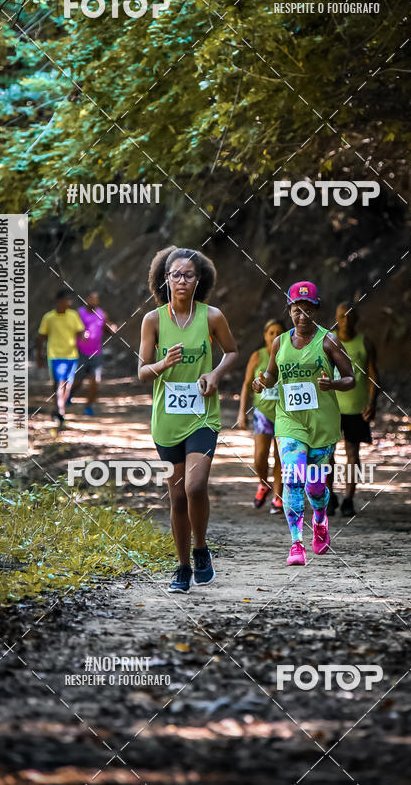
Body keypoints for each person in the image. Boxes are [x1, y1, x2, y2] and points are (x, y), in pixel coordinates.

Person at [138, 247, 238, 593]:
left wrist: (215, 374)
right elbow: (141, 372)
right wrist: (162, 365)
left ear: (200, 280)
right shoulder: (153, 320)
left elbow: (232, 352)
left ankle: (200, 548)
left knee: (196, 487)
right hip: (166, 420)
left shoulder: (211, 317)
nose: (182, 280)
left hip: (202, 417)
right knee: (177, 497)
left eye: (189, 275)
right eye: (176, 275)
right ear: (165, 279)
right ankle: (181, 566)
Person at [252, 282, 355, 565]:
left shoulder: (329, 341)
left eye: (308, 310)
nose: (302, 316)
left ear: (316, 310)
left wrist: (332, 383)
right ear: (289, 310)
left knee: (316, 487)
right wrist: (262, 381)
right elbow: (272, 375)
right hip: (289, 421)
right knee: (293, 479)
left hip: (322, 424)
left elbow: (351, 378)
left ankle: (320, 522)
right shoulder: (279, 342)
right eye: (297, 310)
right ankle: (296, 543)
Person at [326, 302, 379, 517]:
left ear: (357, 318)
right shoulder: (327, 341)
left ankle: (348, 497)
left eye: (350, 316)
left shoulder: (365, 342)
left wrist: (373, 401)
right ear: (336, 318)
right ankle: (329, 496)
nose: (346, 320)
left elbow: (374, 375)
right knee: (327, 454)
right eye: (342, 316)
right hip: (331, 407)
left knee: (352, 453)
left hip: (356, 408)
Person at [237, 319, 284, 513]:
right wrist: (242, 412)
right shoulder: (257, 356)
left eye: (278, 333)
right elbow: (247, 384)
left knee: (280, 457)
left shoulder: (287, 355)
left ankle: (278, 497)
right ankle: (264, 484)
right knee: (260, 457)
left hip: (283, 412)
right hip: (263, 413)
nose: (274, 336)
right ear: (265, 335)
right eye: (271, 332)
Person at [36, 289, 86, 426]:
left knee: (67, 386)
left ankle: (57, 408)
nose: (68, 303)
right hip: (55, 355)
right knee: (59, 383)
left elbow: (80, 331)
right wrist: (39, 356)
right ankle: (61, 411)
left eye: (70, 301)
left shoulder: (73, 315)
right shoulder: (49, 317)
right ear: (58, 301)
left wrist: (85, 336)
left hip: (71, 356)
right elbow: (41, 337)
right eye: (66, 300)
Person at [72, 291, 117, 416]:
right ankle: (70, 393)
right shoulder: (78, 313)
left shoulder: (102, 314)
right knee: (78, 380)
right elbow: (71, 329)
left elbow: (107, 329)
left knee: (95, 381)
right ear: (86, 299)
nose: (94, 302)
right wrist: (80, 334)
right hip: (80, 352)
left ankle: (89, 406)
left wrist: (112, 328)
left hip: (96, 353)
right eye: (92, 299)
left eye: (96, 299)